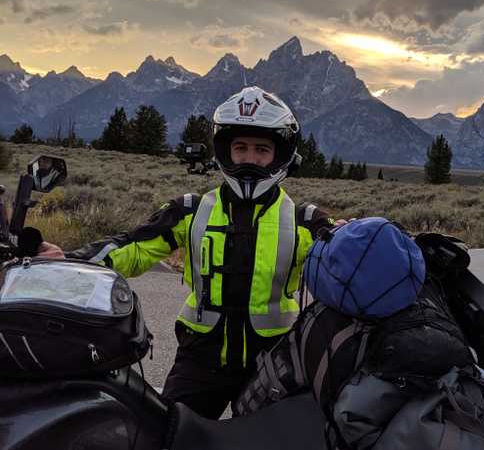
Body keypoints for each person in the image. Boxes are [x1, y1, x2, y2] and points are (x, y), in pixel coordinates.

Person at [41, 87, 338, 418]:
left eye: (261, 150)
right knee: (165, 443)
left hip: (271, 360)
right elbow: (132, 247)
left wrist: (373, 243)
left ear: (280, 155)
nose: (249, 159)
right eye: (240, 148)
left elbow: (348, 260)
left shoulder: (305, 221)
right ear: (225, 151)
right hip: (200, 357)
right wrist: (67, 261)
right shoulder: (192, 211)